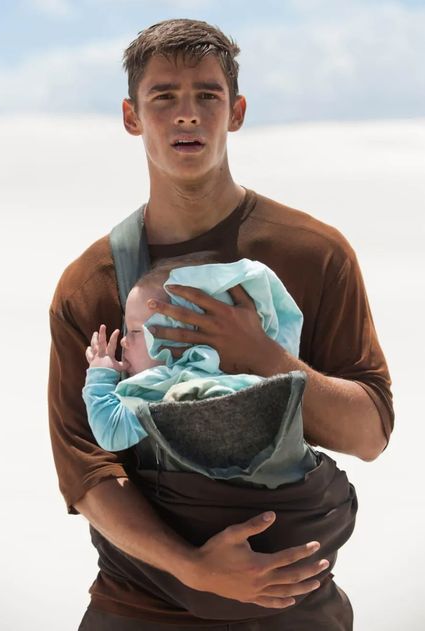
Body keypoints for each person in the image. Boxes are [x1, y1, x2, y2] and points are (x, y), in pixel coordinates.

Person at [48, 18, 393, 630]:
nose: (187, 115)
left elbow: (368, 434)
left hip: (292, 607)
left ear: (235, 111)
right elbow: (87, 469)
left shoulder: (314, 253)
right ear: (132, 116)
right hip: (138, 608)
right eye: (164, 97)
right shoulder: (93, 281)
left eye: (207, 96)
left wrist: (263, 356)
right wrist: (194, 566)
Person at [82, 256, 318, 487]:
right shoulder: (254, 381)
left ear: (176, 335)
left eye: (134, 331)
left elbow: (111, 431)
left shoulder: (166, 390)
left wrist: (100, 374)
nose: (124, 341)